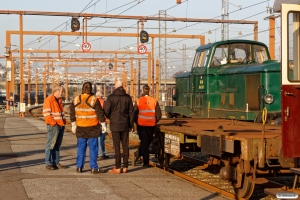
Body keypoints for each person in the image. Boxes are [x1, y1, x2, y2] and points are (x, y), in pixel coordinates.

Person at [70, 82, 106, 174]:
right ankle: (93, 168)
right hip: (92, 128)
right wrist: (103, 124)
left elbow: (72, 113)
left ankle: (79, 167)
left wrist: (73, 124)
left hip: (81, 128)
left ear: (82, 89)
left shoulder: (76, 99)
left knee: (81, 148)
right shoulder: (94, 100)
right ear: (91, 89)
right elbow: (100, 113)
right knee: (93, 148)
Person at [104, 80, 134, 174]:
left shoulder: (111, 97)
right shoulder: (128, 97)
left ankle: (117, 167)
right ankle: (125, 166)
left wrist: (109, 118)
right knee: (125, 145)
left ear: (115, 86)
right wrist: (131, 125)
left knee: (116, 146)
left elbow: (106, 110)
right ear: (123, 86)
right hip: (125, 124)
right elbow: (131, 112)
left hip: (115, 124)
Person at [134, 85, 162, 167]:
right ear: (149, 91)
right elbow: (159, 114)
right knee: (147, 142)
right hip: (151, 126)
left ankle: (142, 159)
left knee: (144, 143)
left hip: (142, 126)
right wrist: (154, 120)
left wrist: (137, 122)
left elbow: (134, 114)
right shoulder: (154, 101)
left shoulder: (138, 101)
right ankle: (144, 160)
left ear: (143, 90)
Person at [43, 85, 66, 170]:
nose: (63, 93)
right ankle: (48, 163)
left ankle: (56, 162)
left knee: (57, 145)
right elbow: (46, 114)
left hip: (60, 125)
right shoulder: (49, 100)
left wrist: (63, 122)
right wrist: (53, 123)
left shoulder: (59, 100)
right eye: (62, 91)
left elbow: (60, 113)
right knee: (50, 144)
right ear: (57, 91)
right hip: (54, 126)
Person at [95, 91, 109, 160]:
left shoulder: (93, 101)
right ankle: (101, 154)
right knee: (101, 138)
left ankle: (98, 153)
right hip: (102, 122)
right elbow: (107, 112)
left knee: (96, 138)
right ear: (101, 96)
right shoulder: (104, 102)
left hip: (95, 122)